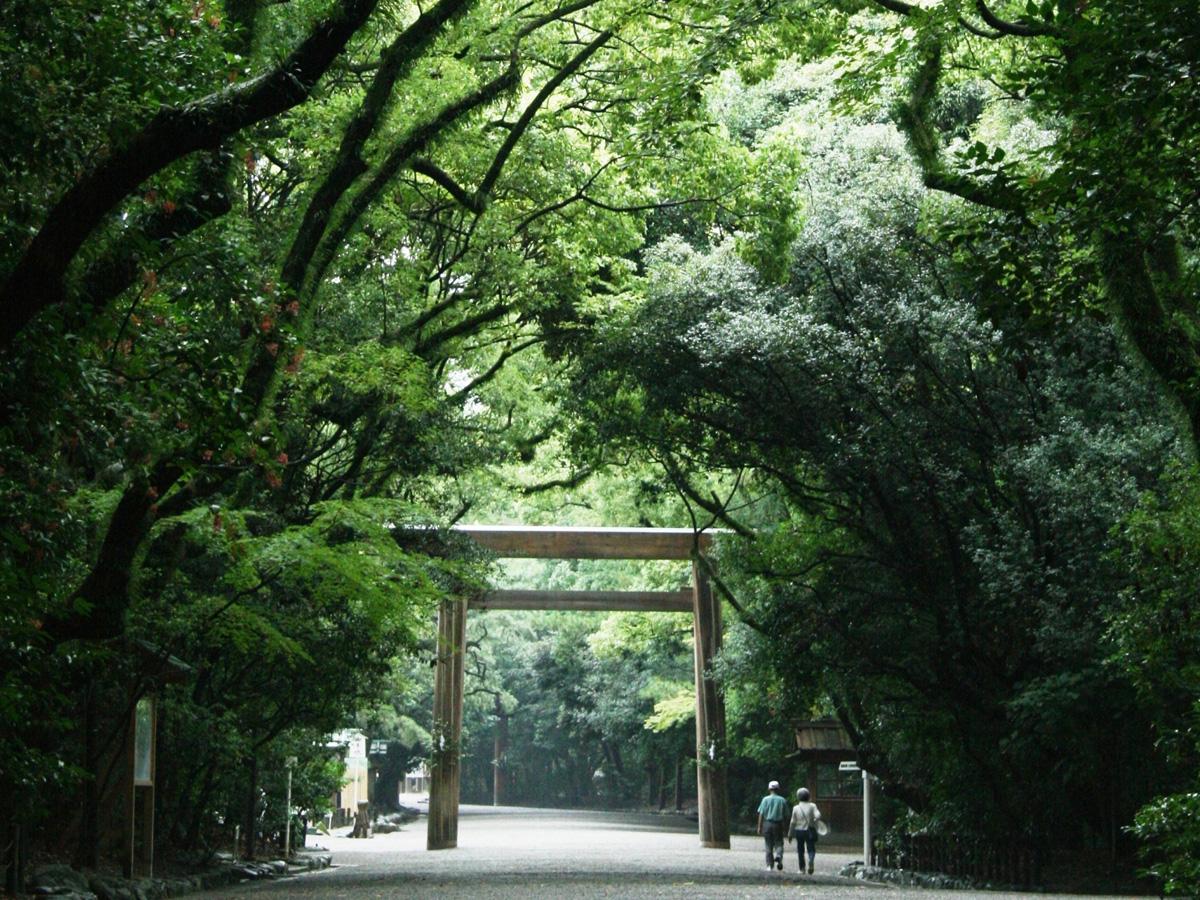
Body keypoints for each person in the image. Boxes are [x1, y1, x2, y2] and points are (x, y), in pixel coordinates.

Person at [756, 779, 789, 871]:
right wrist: (786, 828)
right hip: (778, 824)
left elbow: (761, 814)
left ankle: (769, 865)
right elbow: (786, 815)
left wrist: (759, 826)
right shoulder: (782, 800)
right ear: (778, 789)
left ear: (769, 789)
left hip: (767, 823)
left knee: (768, 844)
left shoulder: (765, 799)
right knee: (779, 842)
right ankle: (778, 855)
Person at [788, 786, 822, 874]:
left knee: (800, 850)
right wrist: (815, 820)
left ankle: (802, 869)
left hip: (799, 831)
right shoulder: (812, 806)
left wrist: (790, 834)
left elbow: (792, 822)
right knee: (811, 848)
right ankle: (811, 860)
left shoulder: (796, 808)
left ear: (798, 797)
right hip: (810, 830)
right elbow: (818, 815)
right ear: (808, 796)